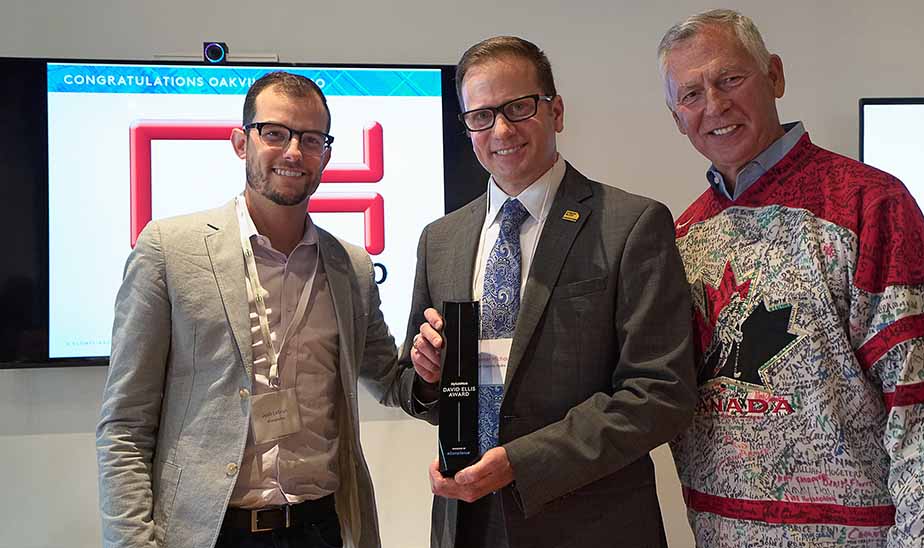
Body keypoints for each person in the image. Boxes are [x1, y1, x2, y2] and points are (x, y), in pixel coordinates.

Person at [658, 9, 924, 546]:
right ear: (677, 119)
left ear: (775, 76)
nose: (714, 105)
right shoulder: (683, 236)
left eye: (730, 79)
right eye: (691, 95)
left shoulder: (869, 204)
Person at [401, 36, 698, 548]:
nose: (502, 130)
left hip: (589, 523)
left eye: (519, 107)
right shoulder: (441, 240)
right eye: (482, 115)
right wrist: (428, 378)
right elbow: (414, 383)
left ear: (556, 111)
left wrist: (520, 463)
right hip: (466, 519)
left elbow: (660, 394)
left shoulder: (631, 225)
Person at [96, 71, 405, 548]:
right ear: (242, 142)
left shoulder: (352, 267)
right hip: (211, 531)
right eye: (275, 133)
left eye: (311, 139)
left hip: (322, 528)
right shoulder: (167, 250)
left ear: (326, 152)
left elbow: (388, 379)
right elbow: (125, 425)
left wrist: (432, 365)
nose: (293, 152)